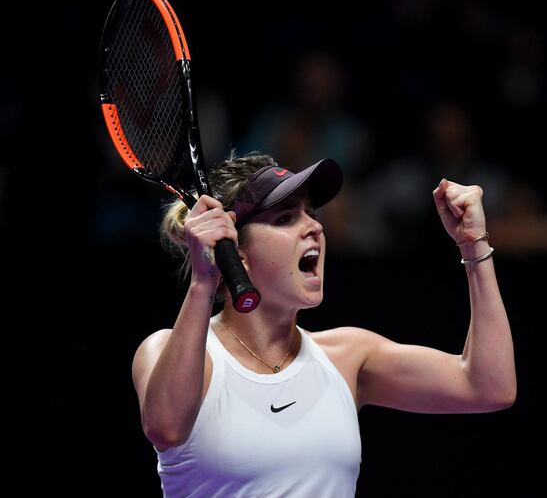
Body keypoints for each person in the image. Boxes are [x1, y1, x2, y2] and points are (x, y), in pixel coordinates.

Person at [132, 152, 516, 497]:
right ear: (239, 253)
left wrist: (474, 247)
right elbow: (165, 430)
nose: (314, 227)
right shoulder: (169, 350)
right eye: (285, 218)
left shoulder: (348, 356)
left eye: (311, 214)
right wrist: (204, 281)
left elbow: (488, 387)